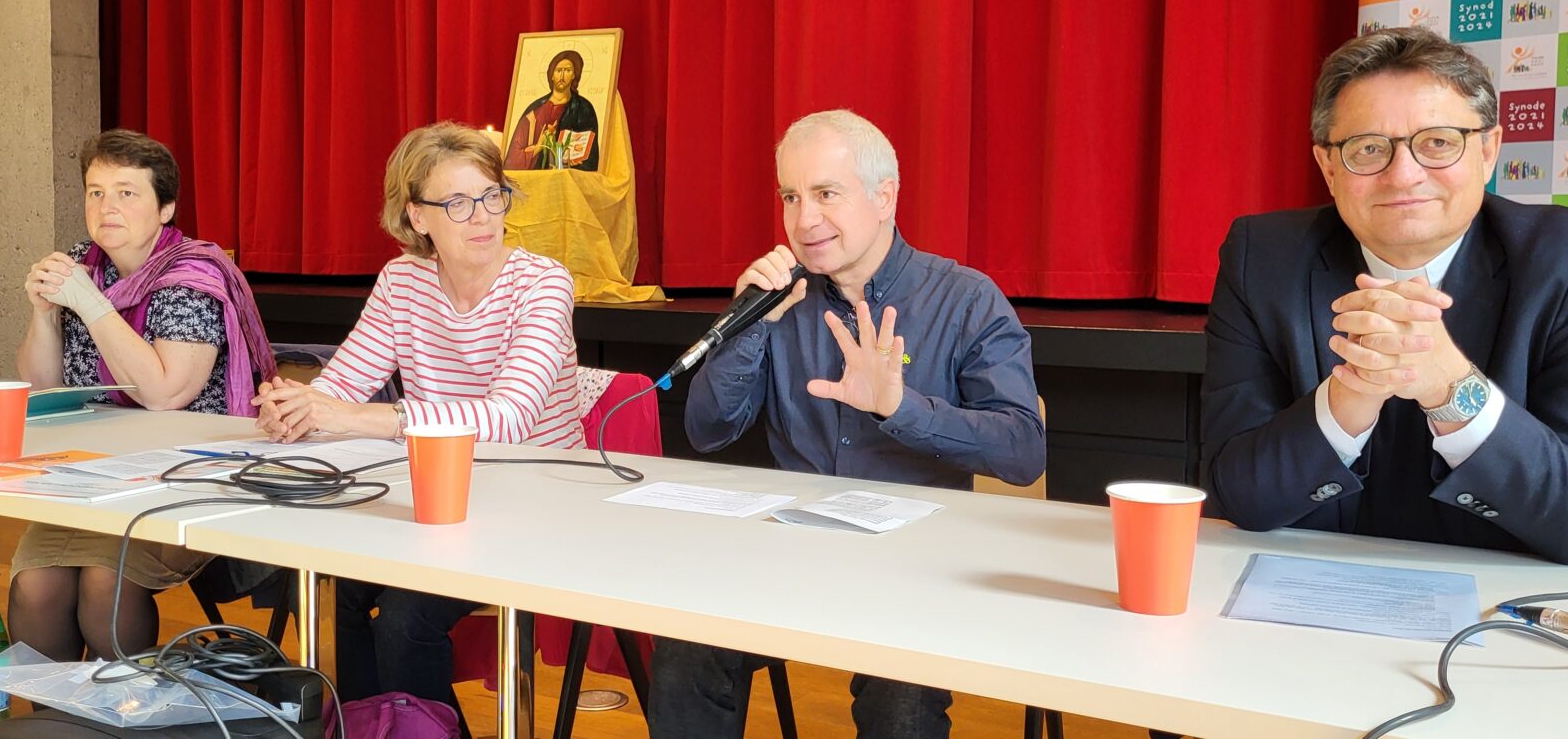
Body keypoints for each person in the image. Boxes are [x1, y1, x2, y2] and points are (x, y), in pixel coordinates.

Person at [650, 110, 1045, 739]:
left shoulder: (967, 300)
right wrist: (753, 326)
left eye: (826, 194)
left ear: (884, 197)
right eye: (790, 196)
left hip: (918, 567)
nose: (804, 220)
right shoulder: (782, 299)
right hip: (792, 554)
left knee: (899, 703)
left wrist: (899, 407)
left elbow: (1023, 451)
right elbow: (707, 429)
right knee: (684, 652)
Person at [1201, 27, 1568, 566]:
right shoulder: (1263, 259)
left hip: (1509, 614)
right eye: (1368, 149)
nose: (1404, 174)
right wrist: (1350, 394)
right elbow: (1235, 497)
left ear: (1488, 151)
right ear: (1327, 167)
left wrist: (1449, 385)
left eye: (1438, 142)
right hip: (1312, 600)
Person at [253, 122, 581, 711]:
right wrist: (298, 410)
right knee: (322, 590)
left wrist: (351, 418)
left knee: (404, 618)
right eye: (457, 203)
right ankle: (371, 726)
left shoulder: (543, 283)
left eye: (491, 196)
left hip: (536, 500)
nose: (482, 217)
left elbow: (509, 419)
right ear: (418, 217)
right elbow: (341, 386)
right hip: (434, 501)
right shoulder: (402, 281)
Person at [10, 128, 275, 662]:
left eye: (127, 192)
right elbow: (42, 392)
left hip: (195, 475)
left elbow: (164, 392)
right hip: (98, 468)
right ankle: (58, 723)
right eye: (95, 191)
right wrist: (43, 315)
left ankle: (126, 719)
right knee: (35, 585)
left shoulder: (192, 276)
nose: (107, 206)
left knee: (104, 585)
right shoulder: (86, 265)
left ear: (166, 207)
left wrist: (91, 304)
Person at [505, 49, 601, 171]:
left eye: (567, 70)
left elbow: (590, 157)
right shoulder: (534, 110)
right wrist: (539, 147)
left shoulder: (583, 108)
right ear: (551, 75)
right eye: (558, 70)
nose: (562, 76)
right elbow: (512, 160)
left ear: (574, 75)